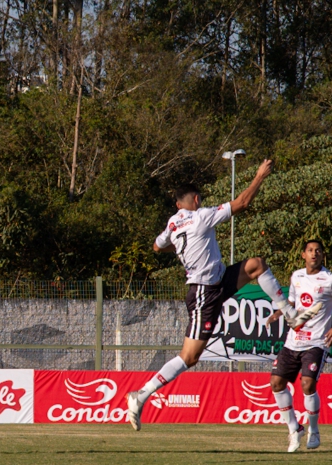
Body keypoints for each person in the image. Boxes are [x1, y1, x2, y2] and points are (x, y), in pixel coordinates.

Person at [126, 159, 315, 431]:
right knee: (190, 357)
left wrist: (180, 247)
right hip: (204, 292)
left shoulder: (173, 223)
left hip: (216, 281)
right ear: (197, 199)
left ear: (178, 205)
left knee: (256, 265)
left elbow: (157, 247)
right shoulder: (202, 215)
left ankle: (290, 314)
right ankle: (141, 395)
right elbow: (241, 203)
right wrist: (259, 176)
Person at [267, 239, 332, 452]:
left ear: (322, 255)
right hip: (293, 340)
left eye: (318, 250)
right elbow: (291, 302)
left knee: (307, 384)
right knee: (276, 383)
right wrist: (279, 312)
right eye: (310, 250)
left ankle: (313, 430)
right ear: (303, 255)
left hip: (317, 342)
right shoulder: (296, 276)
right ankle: (294, 429)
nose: (314, 253)